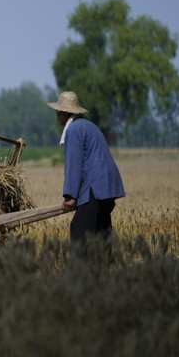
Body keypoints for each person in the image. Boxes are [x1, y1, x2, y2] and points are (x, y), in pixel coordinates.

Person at [47, 91, 125, 244]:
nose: (56, 116)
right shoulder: (89, 126)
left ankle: (80, 267)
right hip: (108, 187)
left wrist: (70, 196)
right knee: (101, 232)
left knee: (79, 231)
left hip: (94, 187)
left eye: (57, 113)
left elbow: (74, 164)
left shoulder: (74, 130)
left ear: (64, 113)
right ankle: (104, 266)